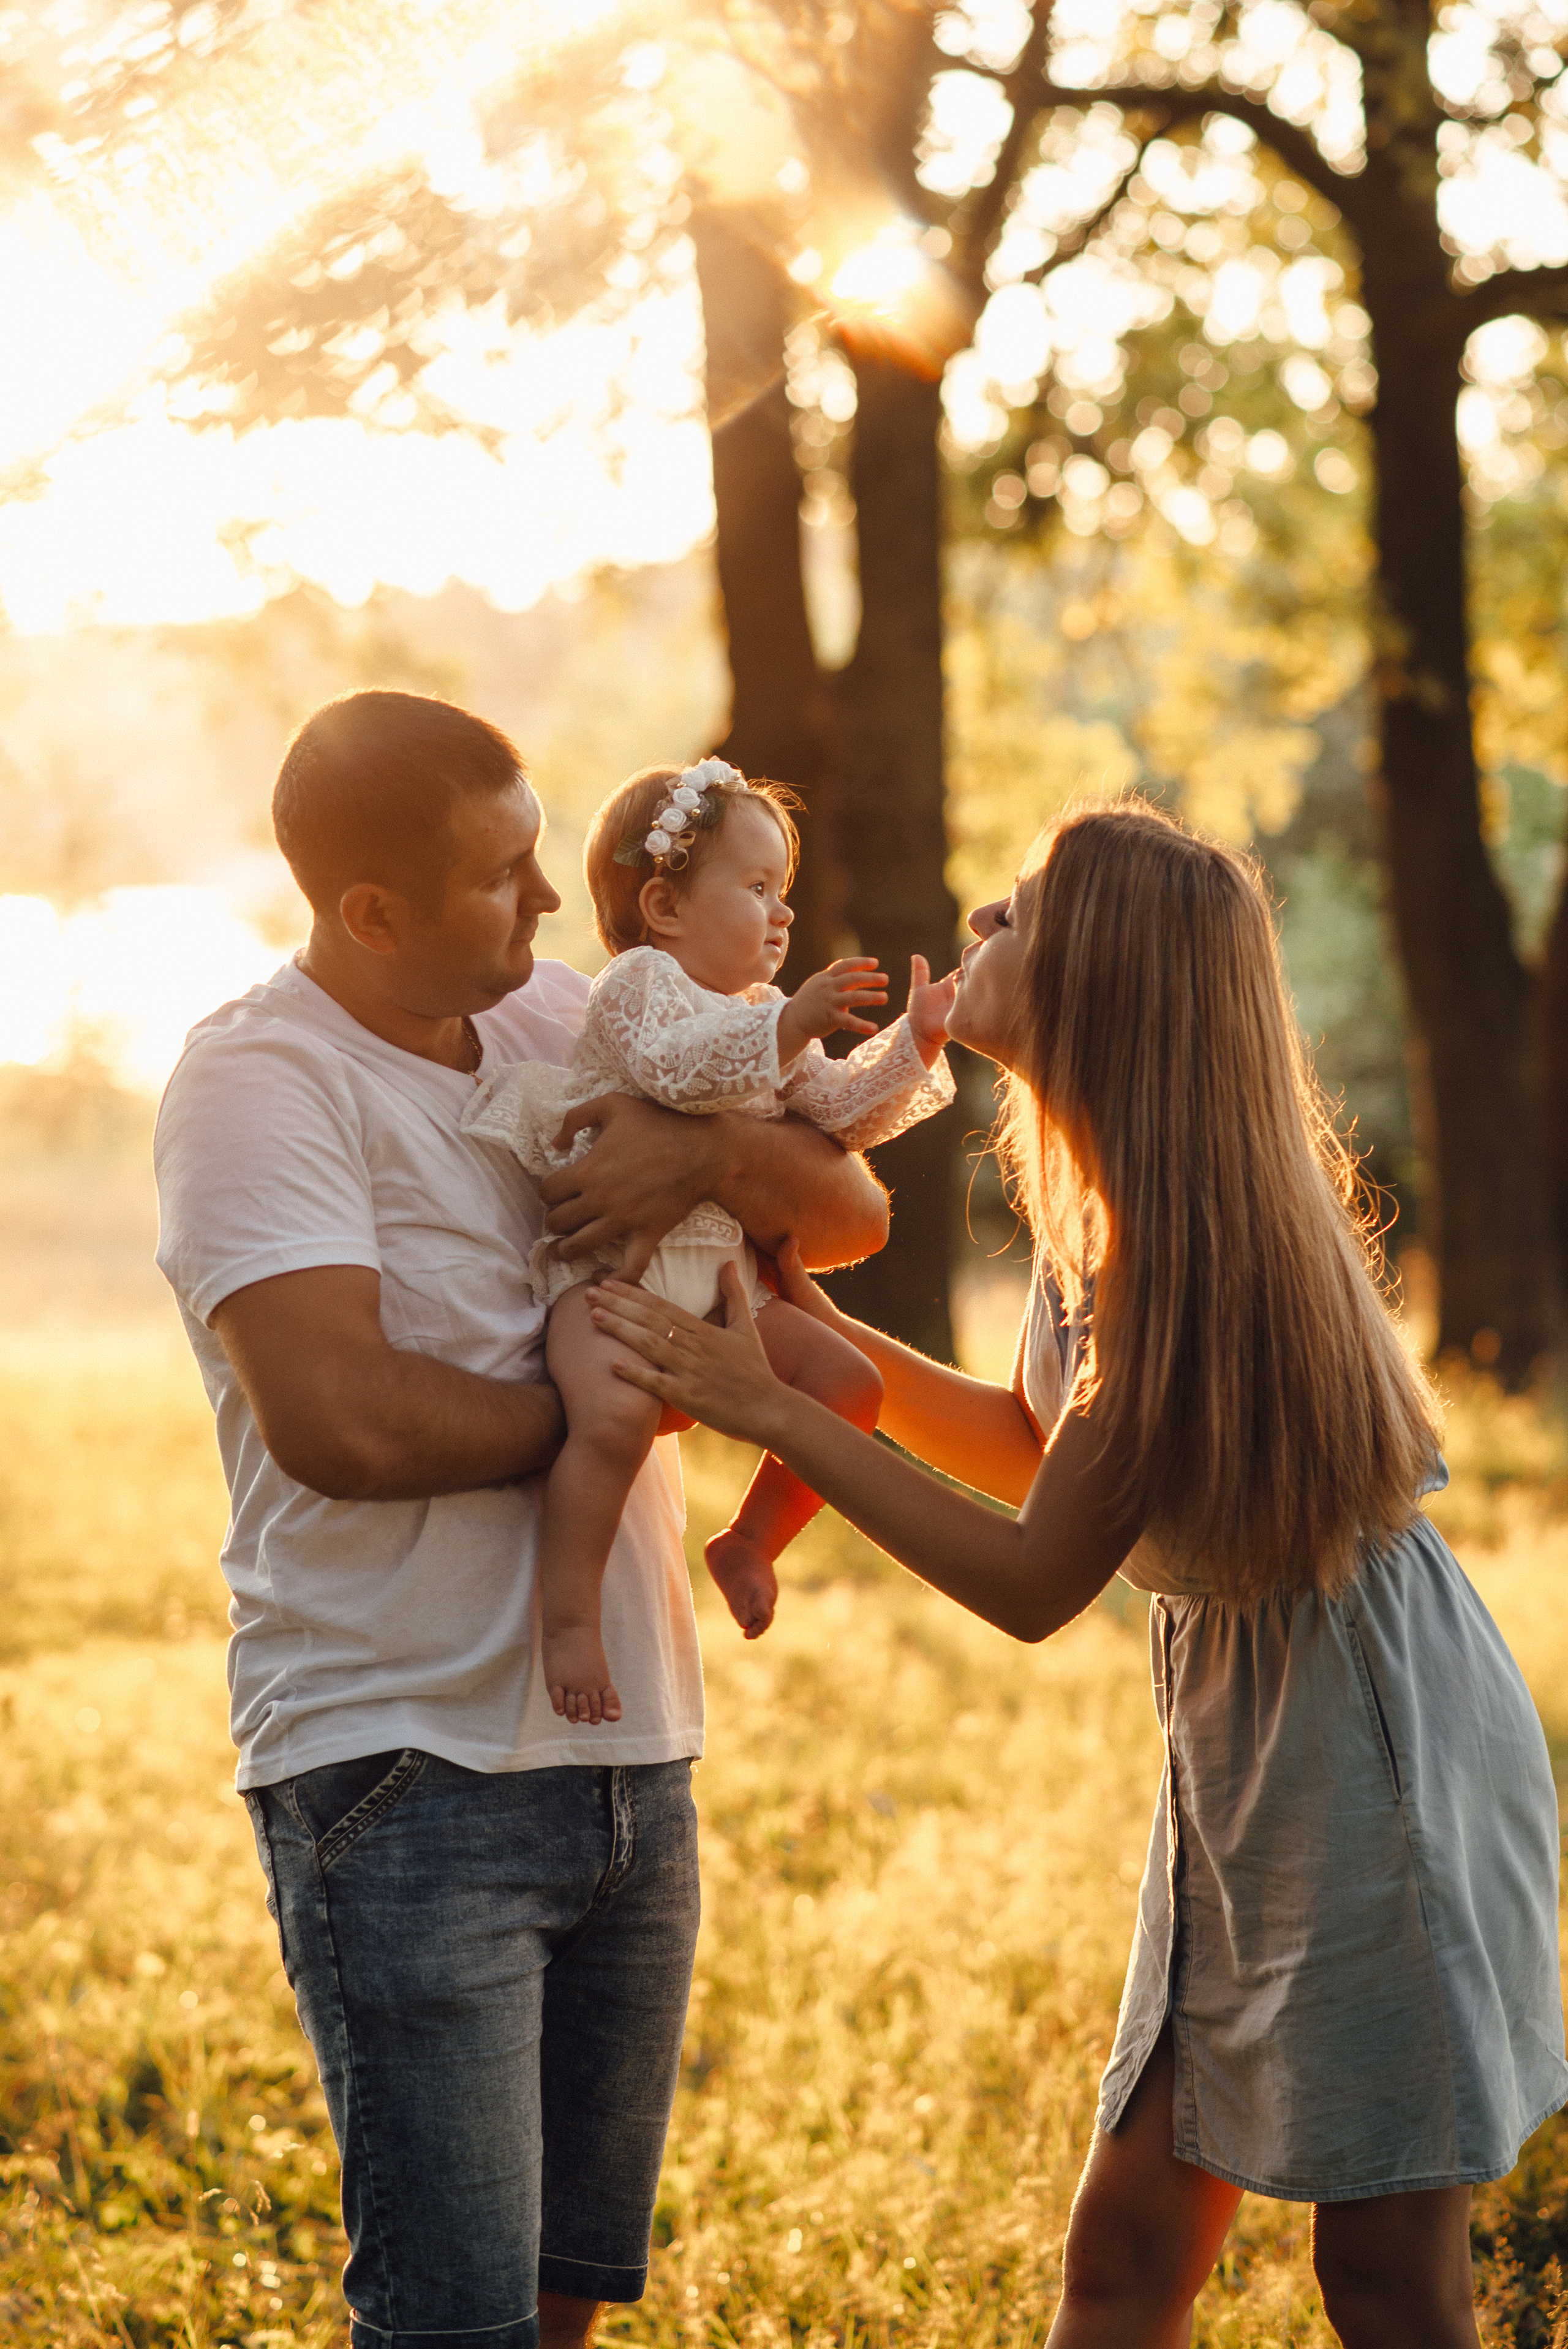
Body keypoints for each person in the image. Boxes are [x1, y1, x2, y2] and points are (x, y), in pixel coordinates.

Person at [588, 800, 1568, 2349]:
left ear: (1103, 982)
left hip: (1371, 1751)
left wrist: (768, 1406)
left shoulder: (1185, 1247)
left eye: (1023, 914)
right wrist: (825, 1346)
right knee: (1121, 2255)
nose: (981, 919)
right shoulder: (1103, 1208)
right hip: (1250, 1741)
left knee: (1383, 2280)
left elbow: (1040, 1577)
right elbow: (1038, 1451)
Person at [153, 688, 889, 2349]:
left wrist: (688, 1149)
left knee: (569, 2305)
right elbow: (341, 1416)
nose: (555, 903)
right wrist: (636, 1405)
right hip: (406, 1769)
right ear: (370, 915)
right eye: (505, 875)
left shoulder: (578, 1014)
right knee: (455, 2323)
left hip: (633, 1753)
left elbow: (850, 1208)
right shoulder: (255, 1087)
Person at [466, 754, 957, 1722]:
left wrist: (914, 1045)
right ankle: (569, 1618)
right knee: (609, 1425)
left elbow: (843, 1115)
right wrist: (791, 1025)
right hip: (613, 1286)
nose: (781, 913)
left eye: (786, 892)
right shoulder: (637, 987)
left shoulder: (764, 1016)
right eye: (758, 887)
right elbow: (674, 1075)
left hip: (729, 1289)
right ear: (664, 906)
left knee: (852, 1385)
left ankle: (751, 1540)